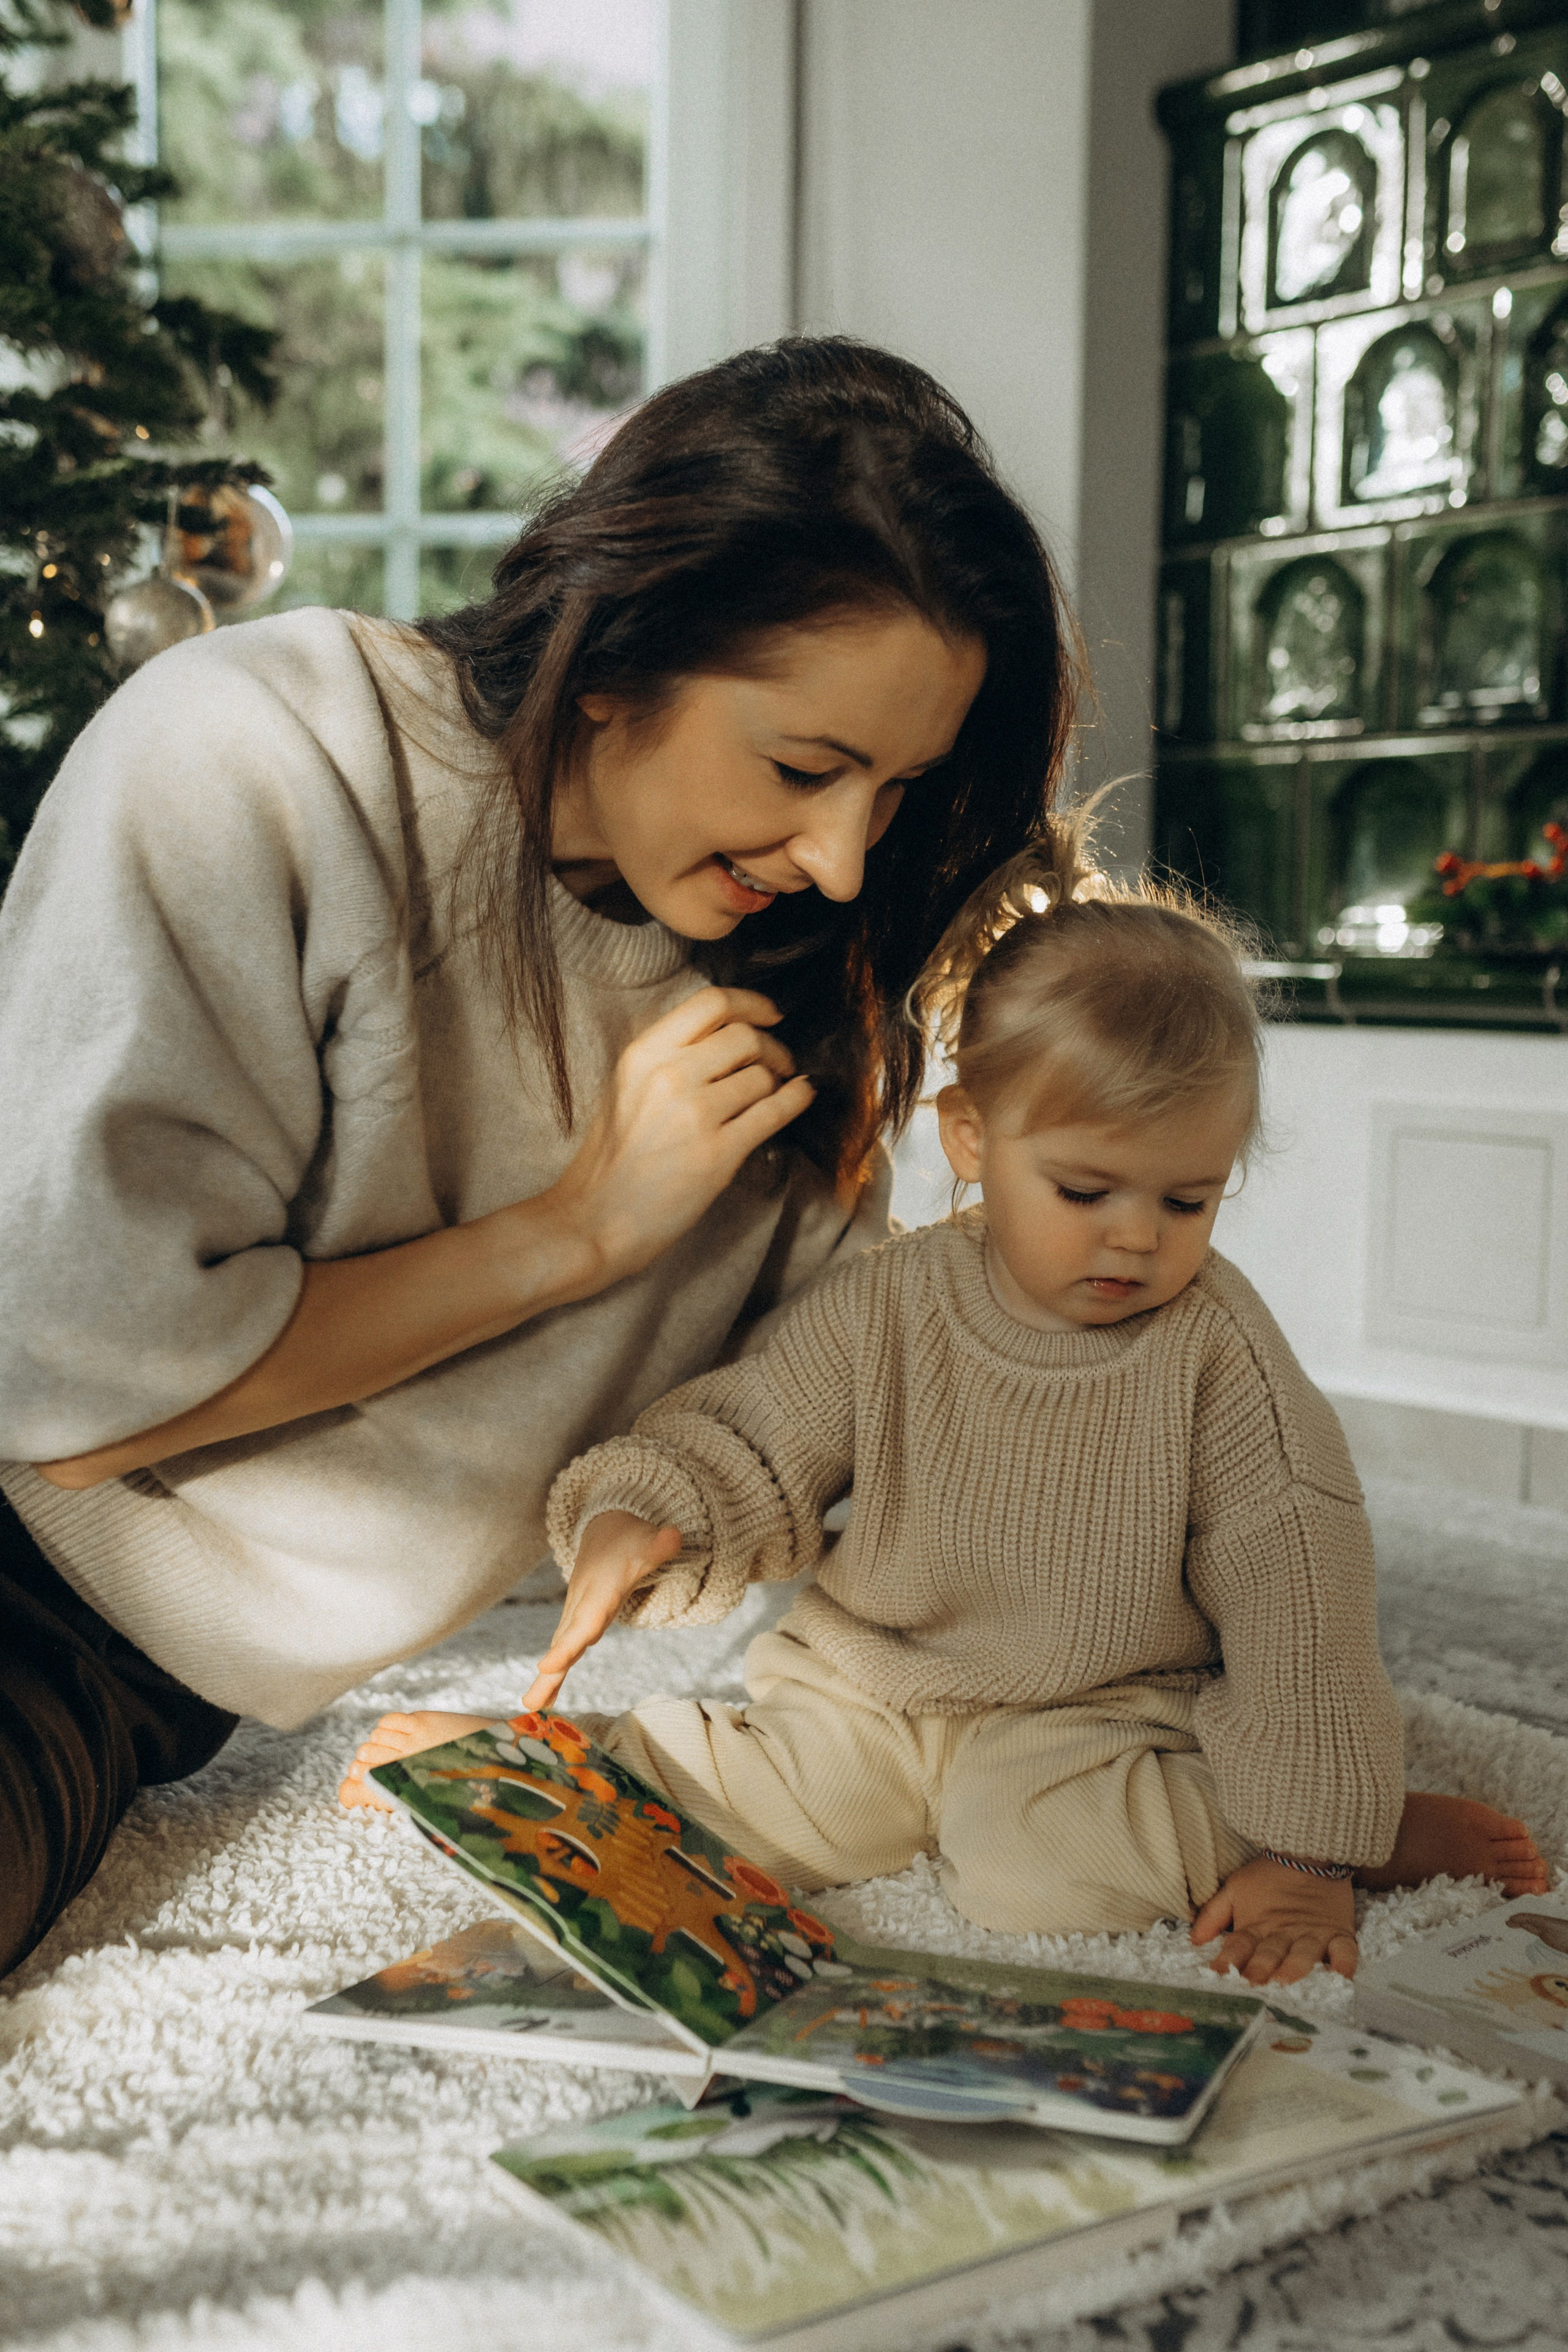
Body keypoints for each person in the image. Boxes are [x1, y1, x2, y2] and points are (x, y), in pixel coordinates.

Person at [0, 337, 1075, 1980]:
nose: (848, 855)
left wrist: (699, 1491)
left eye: (900, 789)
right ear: (612, 660)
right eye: (803, 768)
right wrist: (581, 1231)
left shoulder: (795, 1006)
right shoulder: (260, 758)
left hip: (139, 1685)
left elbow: (822, 1410)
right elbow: (68, 1416)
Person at [346, 818, 1548, 1986]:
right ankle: (570, 1763)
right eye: (1082, 1190)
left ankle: (1359, 1825)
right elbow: (752, 1436)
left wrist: (1305, 1847)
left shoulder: (1213, 1355)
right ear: (970, 1136)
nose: (1135, 1237)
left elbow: (1299, 1594)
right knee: (749, 1811)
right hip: (868, 1683)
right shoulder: (890, 1305)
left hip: (1095, 1709)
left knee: (1032, 1877)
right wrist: (646, 1516)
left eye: (1186, 1203)